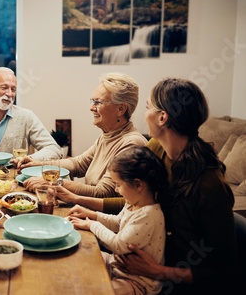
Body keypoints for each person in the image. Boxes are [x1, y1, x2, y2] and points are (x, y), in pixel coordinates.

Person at [74, 78, 238, 294]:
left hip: (167, 282)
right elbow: (132, 199)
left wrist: (158, 271)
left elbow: (224, 267)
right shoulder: (156, 149)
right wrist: (85, 207)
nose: (144, 115)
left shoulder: (209, 184)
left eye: (148, 107)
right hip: (134, 263)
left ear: (162, 117)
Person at [20, 72, 147, 200]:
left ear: (121, 109)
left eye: (98, 102)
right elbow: (78, 164)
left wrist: (55, 183)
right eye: (92, 101)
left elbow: (104, 193)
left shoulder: (132, 144)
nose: (92, 108)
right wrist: (38, 164)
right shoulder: (108, 135)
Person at [69, 146, 168, 295]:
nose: (116, 190)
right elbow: (117, 222)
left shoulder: (149, 214)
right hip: (118, 266)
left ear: (138, 185)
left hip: (137, 281)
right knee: (81, 255)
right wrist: (91, 214)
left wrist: (92, 224)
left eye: (118, 185)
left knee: (99, 291)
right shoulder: (132, 202)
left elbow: (118, 245)